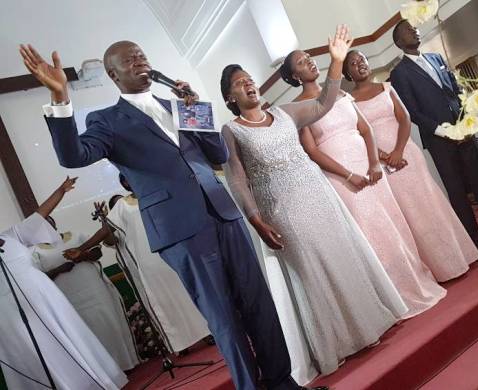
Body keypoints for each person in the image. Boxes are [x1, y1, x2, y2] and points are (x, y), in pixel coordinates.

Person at [20, 40, 313, 390]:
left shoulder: (178, 106)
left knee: (258, 304)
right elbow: (74, 156)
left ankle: (282, 383)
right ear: (113, 74)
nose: (140, 61)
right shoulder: (107, 120)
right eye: (130, 60)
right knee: (224, 318)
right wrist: (60, 99)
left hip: (222, 212)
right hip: (181, 229)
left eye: (142, 55)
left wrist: (197, 109)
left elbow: (217, 154)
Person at [220, 25, 407, 377]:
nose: (248, 84)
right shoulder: (232, 130)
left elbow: (324, 102)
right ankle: (337, 342)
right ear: (230, 98)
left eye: (249, 79)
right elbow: (238, 178)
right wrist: (256, 219)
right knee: (314, 268)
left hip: (317, 194)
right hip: (283, 209)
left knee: (341, 254)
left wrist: (336, 62)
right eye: (238, 84)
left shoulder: (286, 113)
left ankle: (369, 323)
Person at [279, 48, 447, 319]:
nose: (309, 62)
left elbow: (366, 129)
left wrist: (373, 164)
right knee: (371, 233)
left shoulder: (342, 94)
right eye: (300, 62)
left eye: (308, 57)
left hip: (370, 169)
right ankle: (392, 298)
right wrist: (347, 174)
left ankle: (416, 281)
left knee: (394, 225)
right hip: (341, 176)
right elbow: (312, 151)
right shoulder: (299, 109)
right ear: (294, 75)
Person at [344, 50, 478, 278]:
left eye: (362, 59)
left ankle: (458, 258)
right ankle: (435, 271)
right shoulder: (349, 102)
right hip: (381, 161)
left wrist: (398, 150)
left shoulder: (387, 88)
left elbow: (405, 118)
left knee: (430, 202)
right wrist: (384, 156)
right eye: (353, 63)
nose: (360, 64)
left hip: (406, 151)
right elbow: (359, 134)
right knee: (409, 213)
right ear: (347, 73)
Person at [390, 19, 478, 255]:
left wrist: (465, 123)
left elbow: (457, 90)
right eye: (409, 30)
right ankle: (475, 246)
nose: (415, 30)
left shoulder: (437, 59)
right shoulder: (399, 73)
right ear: (399, 42)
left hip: (464, 132)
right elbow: (412, 111)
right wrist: (447, 132)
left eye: (415, 28)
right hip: (440, 141)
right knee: (458, 192)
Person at [0, 177, 127, 390]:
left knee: (67, 342)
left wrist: (61, 191)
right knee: (38, 352)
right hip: (10, 312)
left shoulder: (12, 236)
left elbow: (40, 214)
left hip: (45, 298)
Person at [65, 174, 212, 355]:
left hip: (170, 256)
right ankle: (181, 343)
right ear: (125, 183)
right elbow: (106, 231)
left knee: (187, 294)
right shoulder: (121, 206)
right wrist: (82, 248)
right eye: (128, 178)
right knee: (164, 302)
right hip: (147, 263)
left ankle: (206, 332)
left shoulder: (153, 194)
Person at [33, 215, 140, 371]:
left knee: (109, 323)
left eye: (49, 223)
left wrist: (83, 256)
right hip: (69, 298)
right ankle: (106, 372)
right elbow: (37, 277)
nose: (47, 227)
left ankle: (125, 364)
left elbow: (98, 252)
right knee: (87, 333)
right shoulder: (34, 252)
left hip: (94, 289)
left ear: (55, 224)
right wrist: (58, 270)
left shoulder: (76, 235)